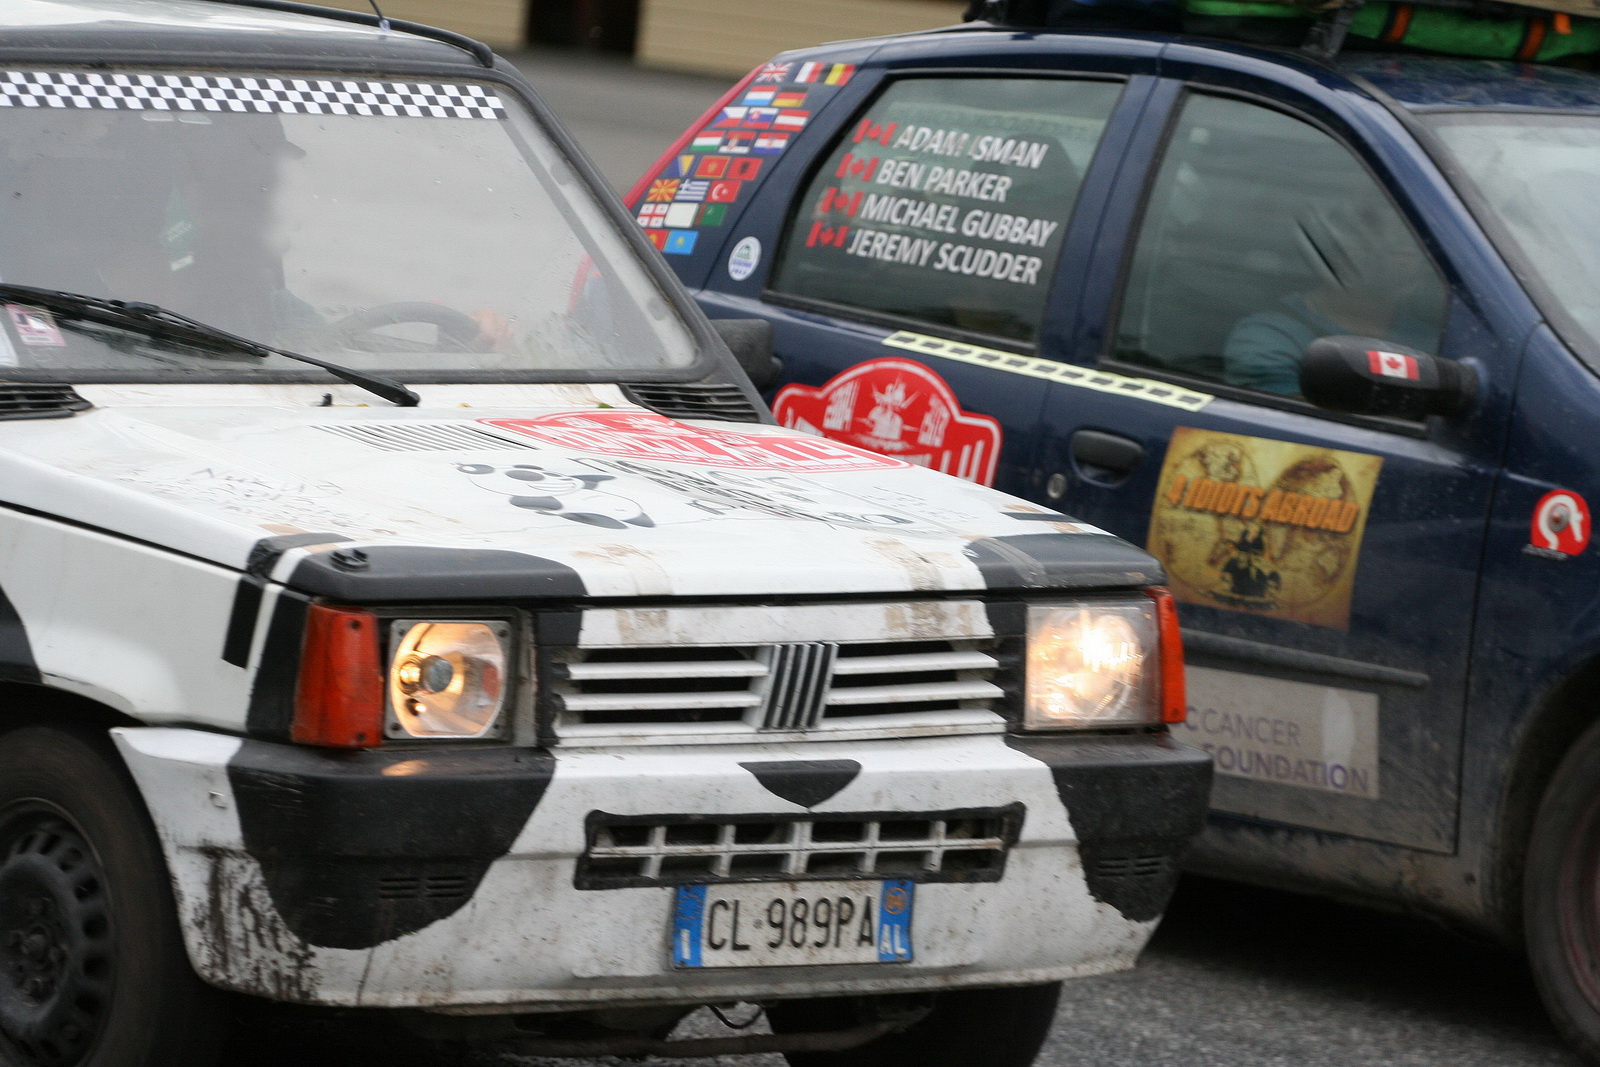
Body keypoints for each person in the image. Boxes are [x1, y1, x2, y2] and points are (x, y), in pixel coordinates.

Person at [1223, 199, 1445, 397]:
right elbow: (1296, 426)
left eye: (1410, 244)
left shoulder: (1434, 342)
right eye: (1376, 238)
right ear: (1335, 254)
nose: (1405, 258)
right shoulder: (1270, 336)